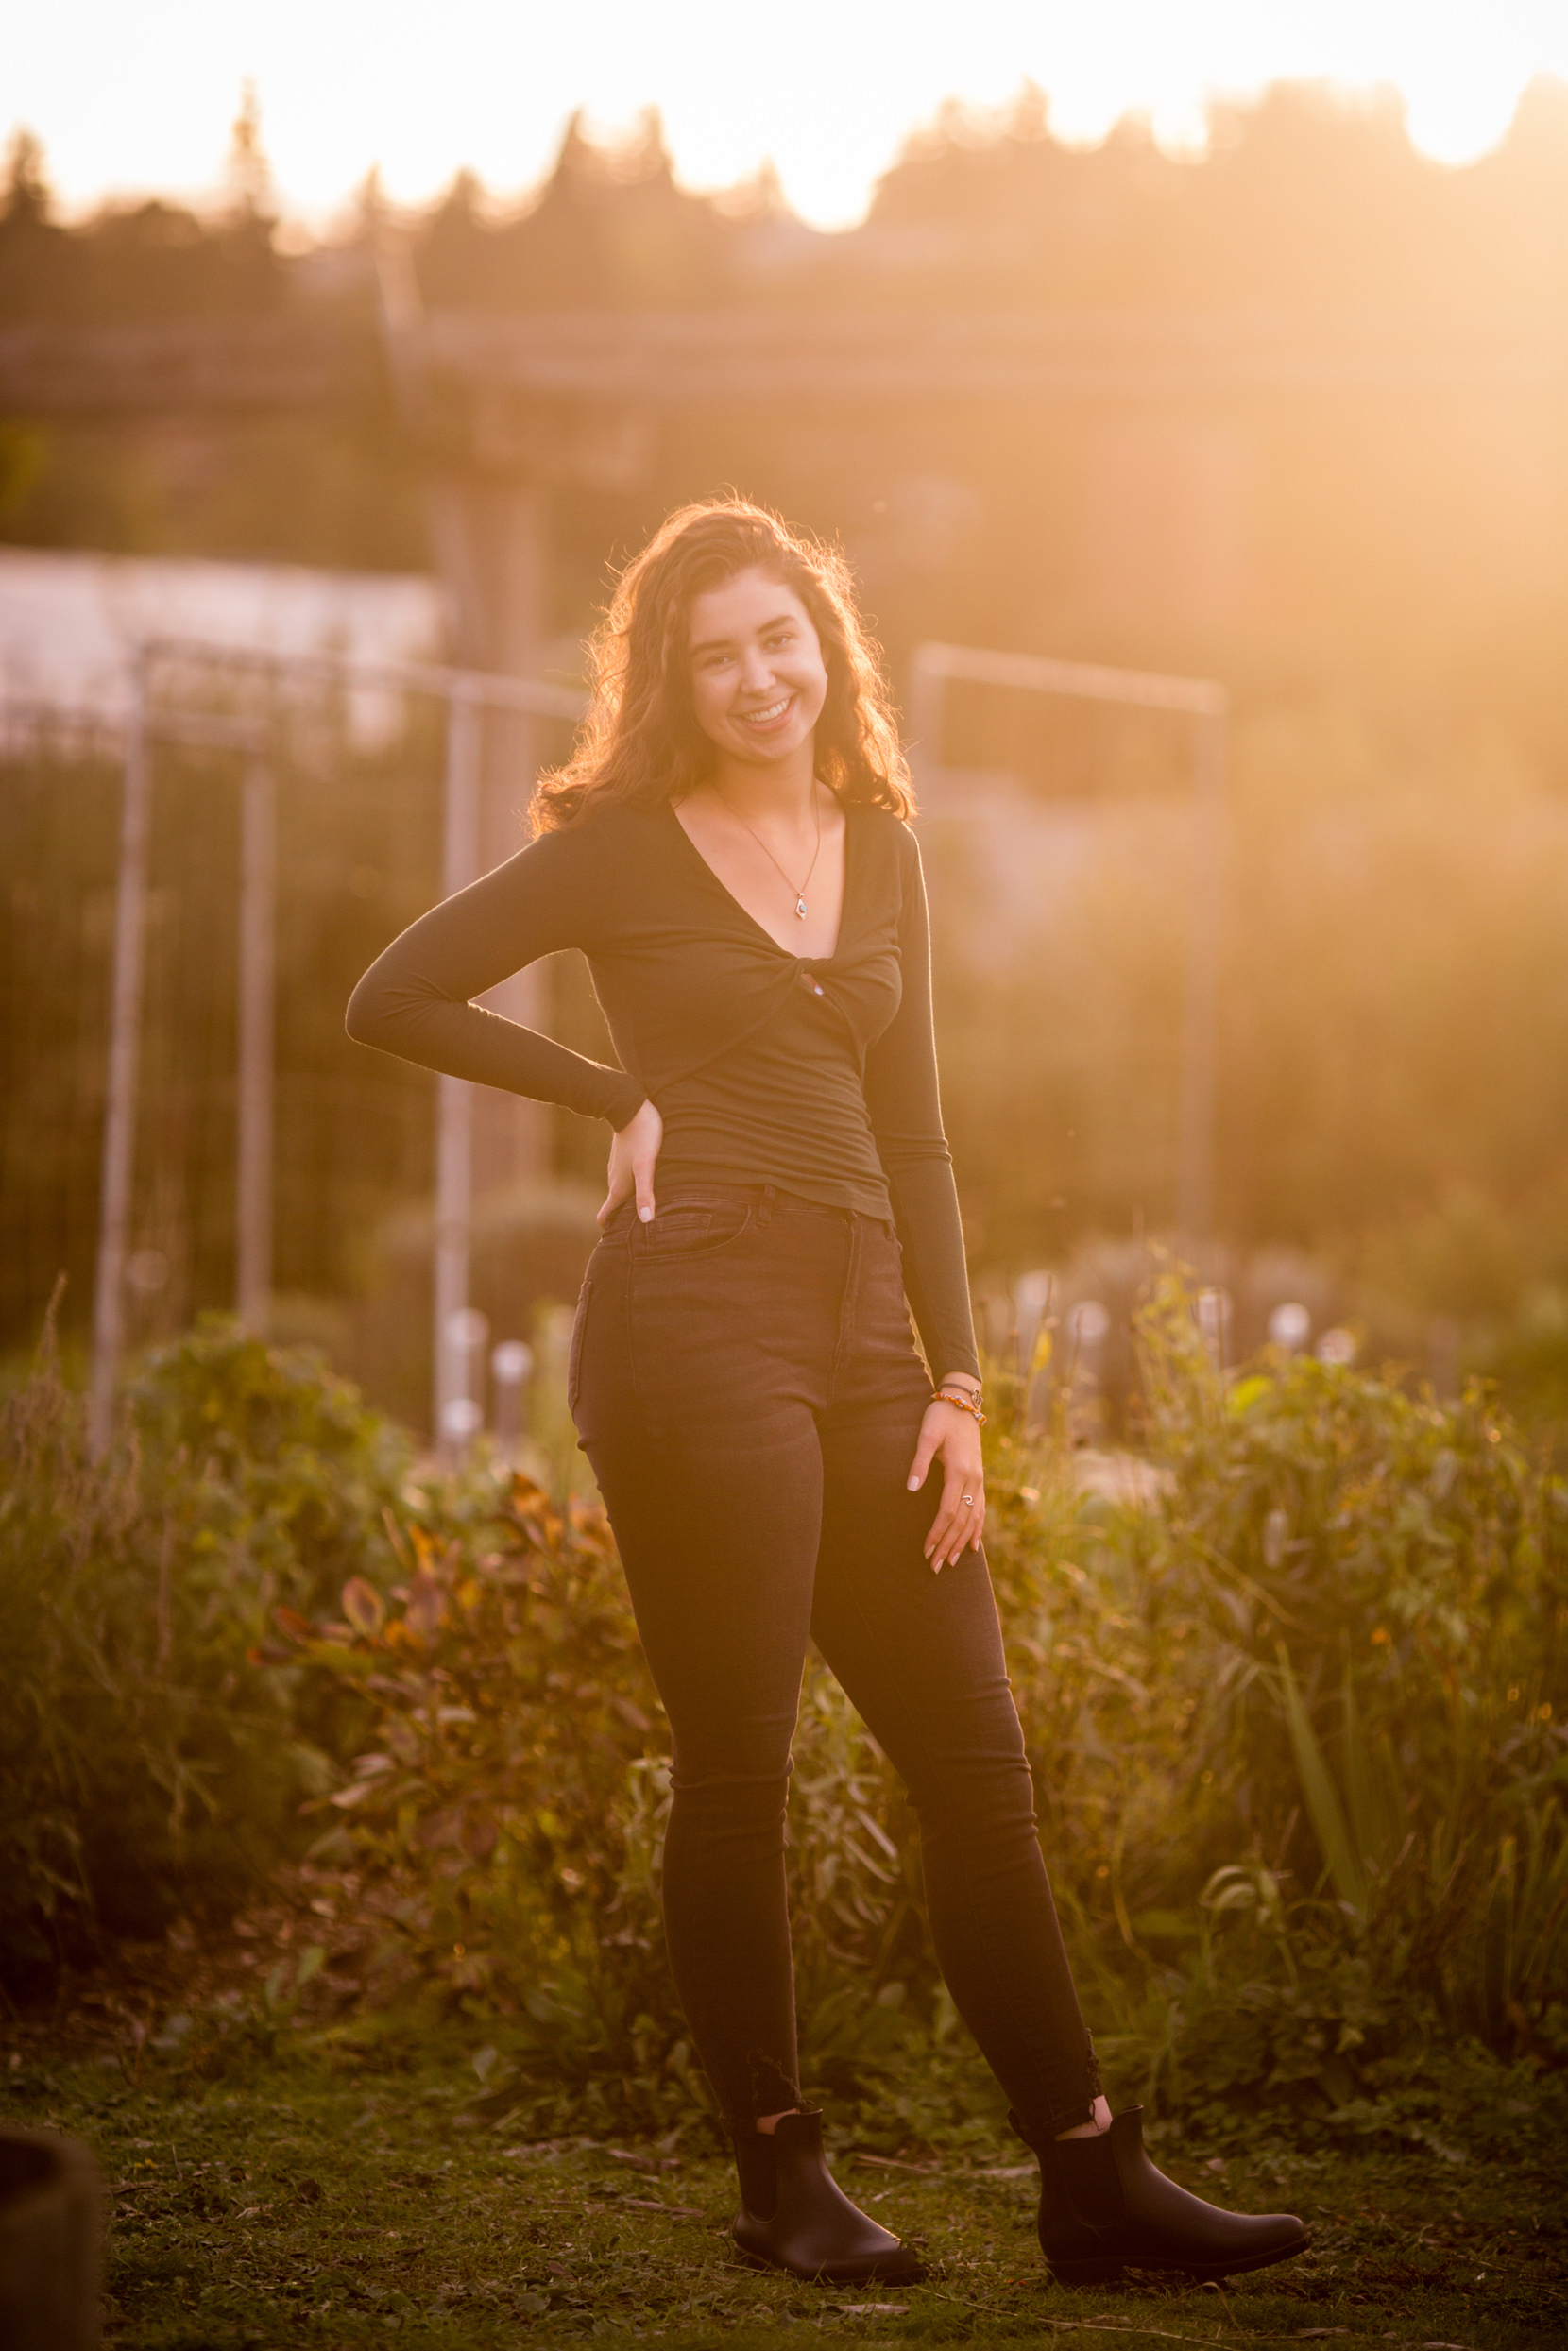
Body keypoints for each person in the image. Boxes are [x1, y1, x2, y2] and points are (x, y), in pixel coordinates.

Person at [347, 498, 1309, 2289]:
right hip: (694, 1315)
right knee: (742, 1767)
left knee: (979, 1764)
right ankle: (778, 2176)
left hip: (871, 1329)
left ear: (824, 643)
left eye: (779, 638)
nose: (755, 677)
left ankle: (1091, 2174)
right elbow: (390, 991)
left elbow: (920, 1132)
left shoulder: (883, 845)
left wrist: (956, 1376)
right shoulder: (622, 847)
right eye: (713, 655)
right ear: (673, 680)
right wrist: (606, 1096)